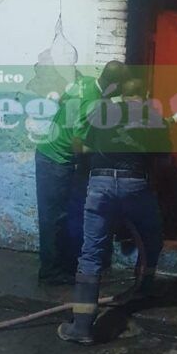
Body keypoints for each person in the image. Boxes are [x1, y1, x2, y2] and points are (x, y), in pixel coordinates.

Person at [58, 73, 171, 344]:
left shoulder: (102, 112)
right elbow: (164, 158)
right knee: (151, 237)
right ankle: (143, 287)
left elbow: (83, 146)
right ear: (145, 95)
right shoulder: (152, 116)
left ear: (122, 94)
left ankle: (81, 327)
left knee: (91, 252)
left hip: (100, 185)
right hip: (135, 186)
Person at [34, 61, 126, 286]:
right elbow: (78, 144)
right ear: (113, 85)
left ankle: (59, 265)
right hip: (56, 161)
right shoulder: (93, 104)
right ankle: (50, 273)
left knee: (59, 216)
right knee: (54, 218)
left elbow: (63, 100)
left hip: (49, 153)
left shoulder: (84, 82)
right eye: (121, 86)